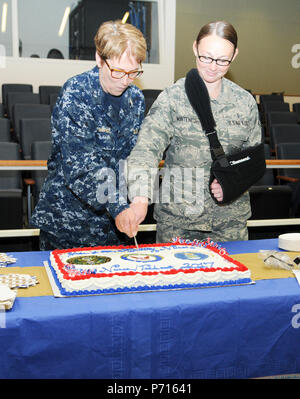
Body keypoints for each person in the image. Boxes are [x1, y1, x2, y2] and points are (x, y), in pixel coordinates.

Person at [125, 20, 262, 243]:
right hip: (178, 224)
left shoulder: (244, 102)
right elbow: (146, 150)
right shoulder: (172, 98)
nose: (213, 66)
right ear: (194, 48)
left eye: (222, 60)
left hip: (229, 224)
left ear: (234, 55)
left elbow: (254, 160)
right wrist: (140, 197)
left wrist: (233, 182)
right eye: (206, 57)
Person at [30, 20, 147, 250]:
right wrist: (118, 206)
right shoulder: (76, 92)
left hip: (114, 227)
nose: (125, 80)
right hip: (68, 223)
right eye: (118, 71)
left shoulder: (136, 100)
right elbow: (82, 165)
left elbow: (136, 156)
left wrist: (140, 198)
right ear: (99, 59)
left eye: (133, 72)